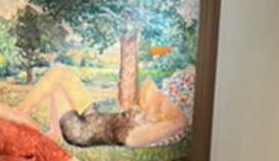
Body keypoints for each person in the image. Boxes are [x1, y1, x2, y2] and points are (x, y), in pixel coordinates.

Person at [16, 63, 189, 148]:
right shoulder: (149, 119)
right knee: (59, 77)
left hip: (82, 131)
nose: (157, 101)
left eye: (163, 101)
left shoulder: (147, 132)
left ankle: (21, 112)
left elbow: (133, 138)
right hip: (91, 118)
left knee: (59, 73)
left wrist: (179, 120)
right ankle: (52, 130)